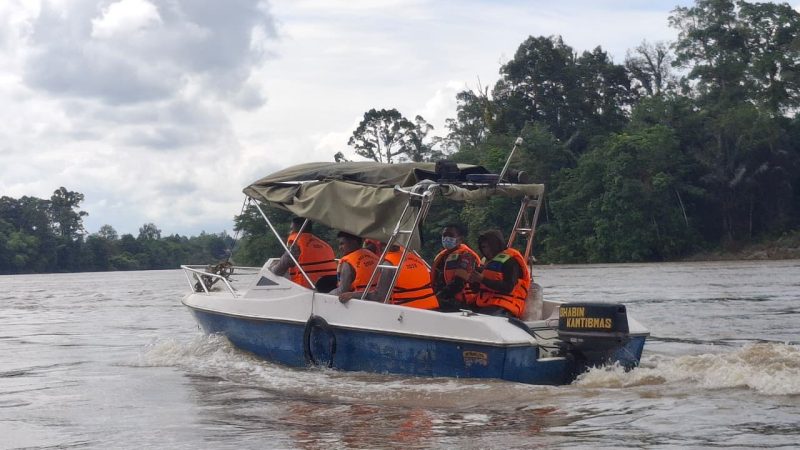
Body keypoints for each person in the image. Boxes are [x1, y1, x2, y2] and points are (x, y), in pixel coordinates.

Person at [339, 244, 439, 310]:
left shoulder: (388, 264)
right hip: (433, 307)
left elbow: (379, 296)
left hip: (410, 312)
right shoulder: (413, 256)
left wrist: (352, 295)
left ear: (381, 245)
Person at [468, 229, 531, 318]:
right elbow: (477, 290)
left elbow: (508, 287)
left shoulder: (511, 261)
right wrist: (473, 281)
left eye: (489, 247)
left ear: (497, 245)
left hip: (506, 307)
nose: (487, 250)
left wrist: (482, 279)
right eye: (484, 247)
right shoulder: (486, 263)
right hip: (487, 305)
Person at [270, 217, 337, 290]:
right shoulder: (324, 245)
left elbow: (278, 271)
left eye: (291, 229)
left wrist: (271, 267)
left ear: (299, 228)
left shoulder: (295, 245)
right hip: (330, 286)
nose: (290, 232)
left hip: (307, 289)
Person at [431, 224, 480, 312]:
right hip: (443, 298)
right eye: (444, 235)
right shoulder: (441, 256)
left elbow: (458, 284)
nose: (446, 238)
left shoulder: (467, 256)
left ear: (460, 239)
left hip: (461, 303)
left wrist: (436, 297)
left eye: (450, 235)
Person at [330, 231, 379, 295]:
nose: (340, 248)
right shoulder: (374, 257)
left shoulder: (347, 263)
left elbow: (342, 291)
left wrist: (325, 295)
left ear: (353, 243)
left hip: (358, 301)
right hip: (376, 298)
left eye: (342, 244)